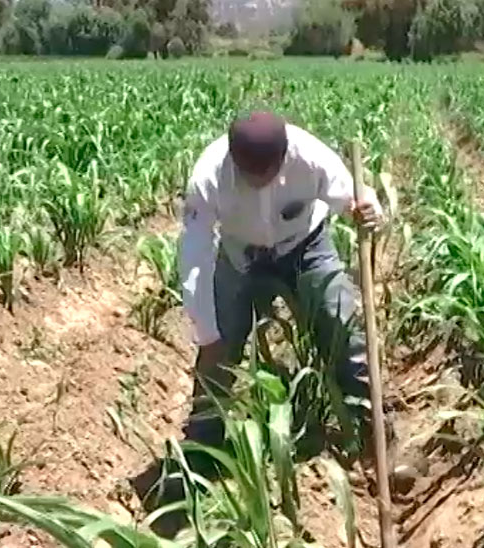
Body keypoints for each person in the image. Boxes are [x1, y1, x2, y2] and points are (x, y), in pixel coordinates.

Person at [133, 110, 386, 535]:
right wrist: (206, 330)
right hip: (240, 256)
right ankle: (201, 450)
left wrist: (369, 210)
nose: (260, 181)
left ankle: (371, 427)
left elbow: (352, 200)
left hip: (305, 246)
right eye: (251, 174)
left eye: (268, 172)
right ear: (234, 161)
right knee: (220, 350)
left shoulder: (310, 156)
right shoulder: (209, 176)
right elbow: (194, 257)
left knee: (339, 322)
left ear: (284, 156)